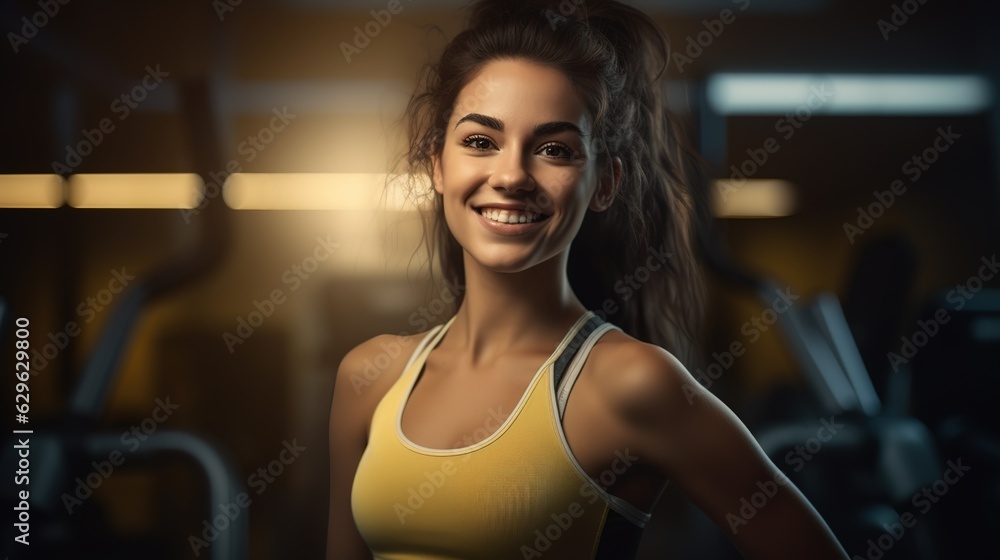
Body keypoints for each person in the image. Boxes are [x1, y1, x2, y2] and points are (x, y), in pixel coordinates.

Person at [328, 1, 849, 558]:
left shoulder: (631, 383)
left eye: (554, 149)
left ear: (604, 183)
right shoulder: (370, 376)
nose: (510, 175)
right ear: (436, 163)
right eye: (480, 141)